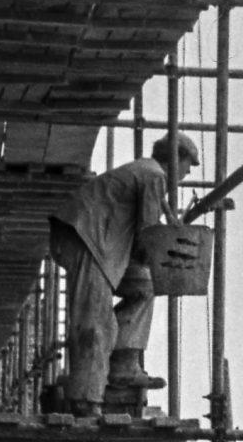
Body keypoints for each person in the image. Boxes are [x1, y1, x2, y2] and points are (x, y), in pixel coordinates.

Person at [46, 135, 195, 414]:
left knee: (144, 287)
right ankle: (85, 399)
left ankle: (122, 364)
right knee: (96, 322)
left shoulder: (146, 173)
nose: (188, 173)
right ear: (176, 158)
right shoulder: (154, 175)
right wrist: (174, 249)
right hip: (88, 240)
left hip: (102, 245)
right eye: (189, 165)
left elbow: (142, 236)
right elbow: (147, 234)